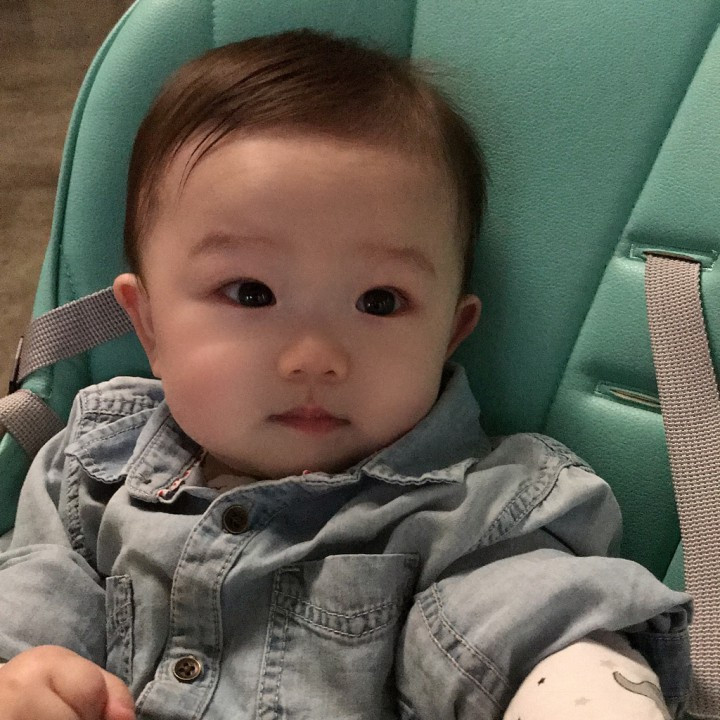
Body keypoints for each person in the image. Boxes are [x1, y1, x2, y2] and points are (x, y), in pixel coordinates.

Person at [0, 29, 691, 720]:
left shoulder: (474, 513)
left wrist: (579, 687)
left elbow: (527, 616)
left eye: (379, 302)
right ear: (149, 326)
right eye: (250, 293)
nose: (314, 357)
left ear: (450, 333)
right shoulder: (90, 470)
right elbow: (33, 599)